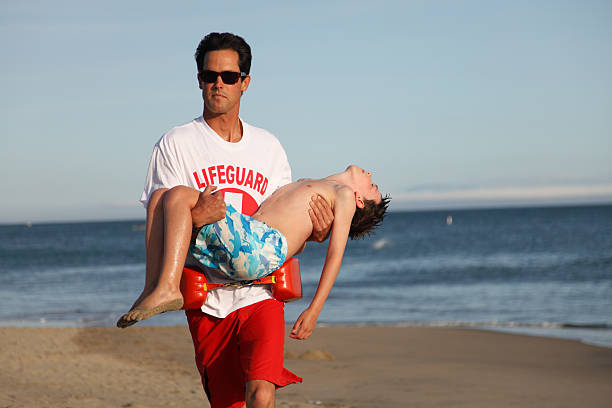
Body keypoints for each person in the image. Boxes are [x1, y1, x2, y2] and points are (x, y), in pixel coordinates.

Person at [133, 32, 335, 408]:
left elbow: (281, 233)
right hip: (208, 302)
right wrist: (196, 217)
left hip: (263, 293)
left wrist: (315, 232)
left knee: (262, 393)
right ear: (199, 80)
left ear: (245, 82)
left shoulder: (269, 148)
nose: (218, 84)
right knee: (229, 403)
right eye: (210, 76)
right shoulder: (176, 144)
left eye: (228, 76)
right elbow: (160, 226)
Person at [117, 165, 390, 338]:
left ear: (359, 201)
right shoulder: (313, 182)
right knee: (159, 196)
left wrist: (314, 310)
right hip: (249, 238)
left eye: (373, 188)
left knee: (178, 195)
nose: (371, 176)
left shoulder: (342, 195)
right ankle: (151, 287)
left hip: (262, 248)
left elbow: (335, 255)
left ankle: (168, 287)